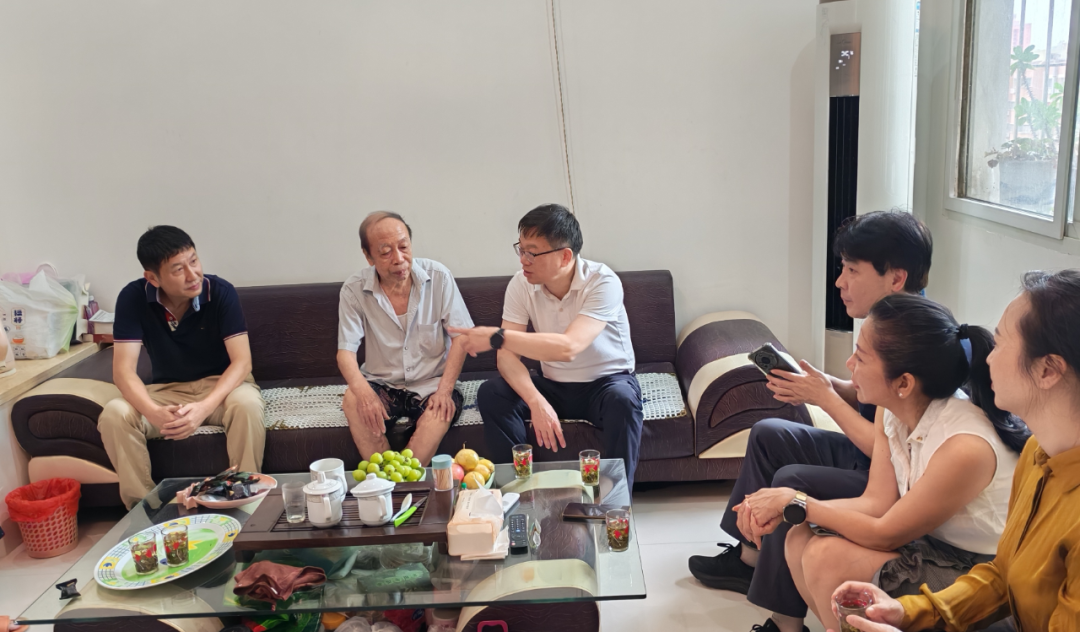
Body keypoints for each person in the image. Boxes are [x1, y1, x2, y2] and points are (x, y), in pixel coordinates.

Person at [689, 211, 934, 632]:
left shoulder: (915, 340)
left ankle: (785, 622)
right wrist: (829, 385)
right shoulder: (889, 321)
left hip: (892, 481)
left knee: (791, 480)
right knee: (769, 433)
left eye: (852, 270)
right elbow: (875, 402)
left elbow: (890, 451)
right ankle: (749, 558)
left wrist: (824, 398)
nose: (839, 281)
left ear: (896, 278)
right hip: (871, 458)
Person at [749, 294, 1027, 631]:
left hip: (983, 577)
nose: (849, 364)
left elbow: (885, 535)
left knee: (827, 557)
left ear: (904, 383)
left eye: (861, 357)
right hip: (934, 545)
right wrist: (784, 508)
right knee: (798, 538)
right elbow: (877, 502)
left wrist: (797, 503)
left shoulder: (965, 447)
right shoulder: (893, 408)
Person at [825, 270, 1080, 632]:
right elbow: (1002, 574)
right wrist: (910, 611)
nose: (988, 358)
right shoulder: (1040, 453)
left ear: (1048, 370)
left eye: (1001, 343)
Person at [450, 204, 643, 486]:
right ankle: (518, 489)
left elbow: (569, 347)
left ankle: (614, 499)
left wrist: (497, 336)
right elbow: (506, 359)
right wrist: (536, 401)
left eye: (532, 252)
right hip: (553, 384)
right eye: (520, 250)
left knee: (623, 401)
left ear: (565, 256)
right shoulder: (521, 285)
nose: (523, 260)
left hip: (606, 384)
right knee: (492, 392)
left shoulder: (603, 282)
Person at [99, 226, 265, 509]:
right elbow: (123, 371)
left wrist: (203, 408)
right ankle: (145, 510)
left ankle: (245, 501)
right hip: (167, 391)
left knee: (247, 404)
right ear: (152, 278)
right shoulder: (133, 298)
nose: (193, 275)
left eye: (194, 261)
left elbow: (242, 362)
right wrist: (154, 412)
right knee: (115, 413)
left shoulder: (220, 292)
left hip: (222, 388)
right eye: (178, 269)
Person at [337, 211, 473, 464]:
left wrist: (445, 391)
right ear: (368, 256)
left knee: (441, 411)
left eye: (403, 247)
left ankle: (404, 478)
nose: (399, 259)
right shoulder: (354, 290)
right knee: (353, 400)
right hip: (382, 383)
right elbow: (345, 352)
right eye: (385, 252)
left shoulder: (439, 277)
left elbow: (462, 338)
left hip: (432, 383)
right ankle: (384, 477)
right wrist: (365, 394)